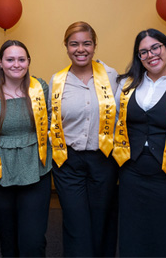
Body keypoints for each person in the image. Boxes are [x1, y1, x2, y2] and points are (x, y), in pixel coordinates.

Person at [113, 28, 166, 257]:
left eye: (155, 48)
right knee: (133, 234)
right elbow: (114, 123)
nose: (151, 55)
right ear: (138, 57)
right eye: (143, 52)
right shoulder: (125, 86)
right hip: (132, 173)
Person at [0, 40, 52, 257]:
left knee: (33, 241)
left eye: (21, 59)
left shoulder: (40, 87)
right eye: (10, 59)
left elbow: (51, 122)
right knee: (8, 241)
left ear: (28, 62)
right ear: (0, 62)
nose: (16, 64)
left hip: (35, 170)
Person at [49, 21, 119, 257]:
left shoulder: (111, 77)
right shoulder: (57, 81)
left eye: (86, 43)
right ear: (66, 47)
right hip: (69, 162)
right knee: (76, 223)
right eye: (74, 44)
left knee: (102, 221)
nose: (81, 49)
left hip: (104, 161)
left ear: (94, 46)